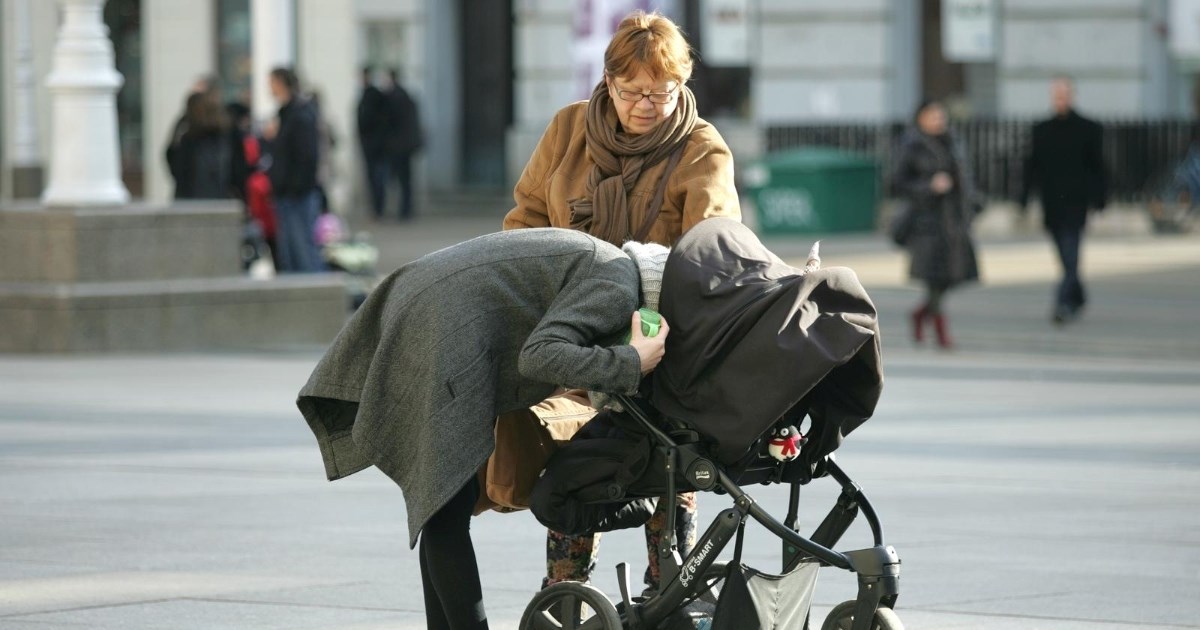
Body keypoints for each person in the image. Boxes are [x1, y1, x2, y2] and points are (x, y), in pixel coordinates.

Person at [297, 228, 671, 630]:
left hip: (436, 308)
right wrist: (631, 361)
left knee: (443, 507)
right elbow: (540, 357)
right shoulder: (618, 285)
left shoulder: (614, 266)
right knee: (445, 508)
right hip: (442, 323)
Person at [503, 10, 741, 593]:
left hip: (661, 344)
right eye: (633, 91)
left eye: (662, 92)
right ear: (608, 82)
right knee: (574, 471)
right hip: (575, 336)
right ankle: (567, 596)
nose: (647, 105)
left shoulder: (701, 149)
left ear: (682, 85)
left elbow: (714, 250)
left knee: (667, 471)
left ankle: (670, 599)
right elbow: (526, 223)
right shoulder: (568, 130)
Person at [892, 99, 981, 349]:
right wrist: (928, 186)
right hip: (926, 223)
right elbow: (897, 183)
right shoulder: (912, 145)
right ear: (921, 118)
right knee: (934, 277)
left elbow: (964, 178)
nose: (938, 121)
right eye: (933, 116)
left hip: (954, 220)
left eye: (941, 116)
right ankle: (942, 332)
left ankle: (921, 314)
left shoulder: (953, 141)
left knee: (954, 276)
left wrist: (972, 203)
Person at [1020, 77, 1107, 324]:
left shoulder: (1088, 129)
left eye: (1064, 95)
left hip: (1076, 202)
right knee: (1064, 255)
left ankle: (1062, 302)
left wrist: (1100, 199)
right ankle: (1078, 296)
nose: (1060, 100)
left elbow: (1098, 167)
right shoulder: (1042, 130)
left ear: (1071, 96)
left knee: (1071, 253)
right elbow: (1031, 167)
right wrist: (1023, 199)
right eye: (1056, 95)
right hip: (1052, 203)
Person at [264, 67, 324, 273]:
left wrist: (293, 186)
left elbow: (306, 156)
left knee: (302, 250)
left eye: (271, 82)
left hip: (296, 193)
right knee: (290, 251)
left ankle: (315, 296)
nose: (269, 88)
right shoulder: (287, 114)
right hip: (287, 191)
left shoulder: (298, 114)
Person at [165, 81, 234, 200]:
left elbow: (172, 158)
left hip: (190, 195)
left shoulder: (185, 131)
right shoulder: (223, 130)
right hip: (217, 194)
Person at [385, 68, 422, 221]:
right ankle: (406, 209)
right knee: (406, 180)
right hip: (406, 145)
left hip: (400, 146)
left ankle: (404, 210)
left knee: (402, 179)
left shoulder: (395, 97)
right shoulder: (406, 96)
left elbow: (393, 123)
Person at [357, 66, 391, 220]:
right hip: (371, 145)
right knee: (373, 178)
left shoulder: (374, 96)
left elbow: (373, 120)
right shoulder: (368, 94)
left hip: (375, 145)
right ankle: (376, 208)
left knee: (377, 178)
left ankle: (379, 209)